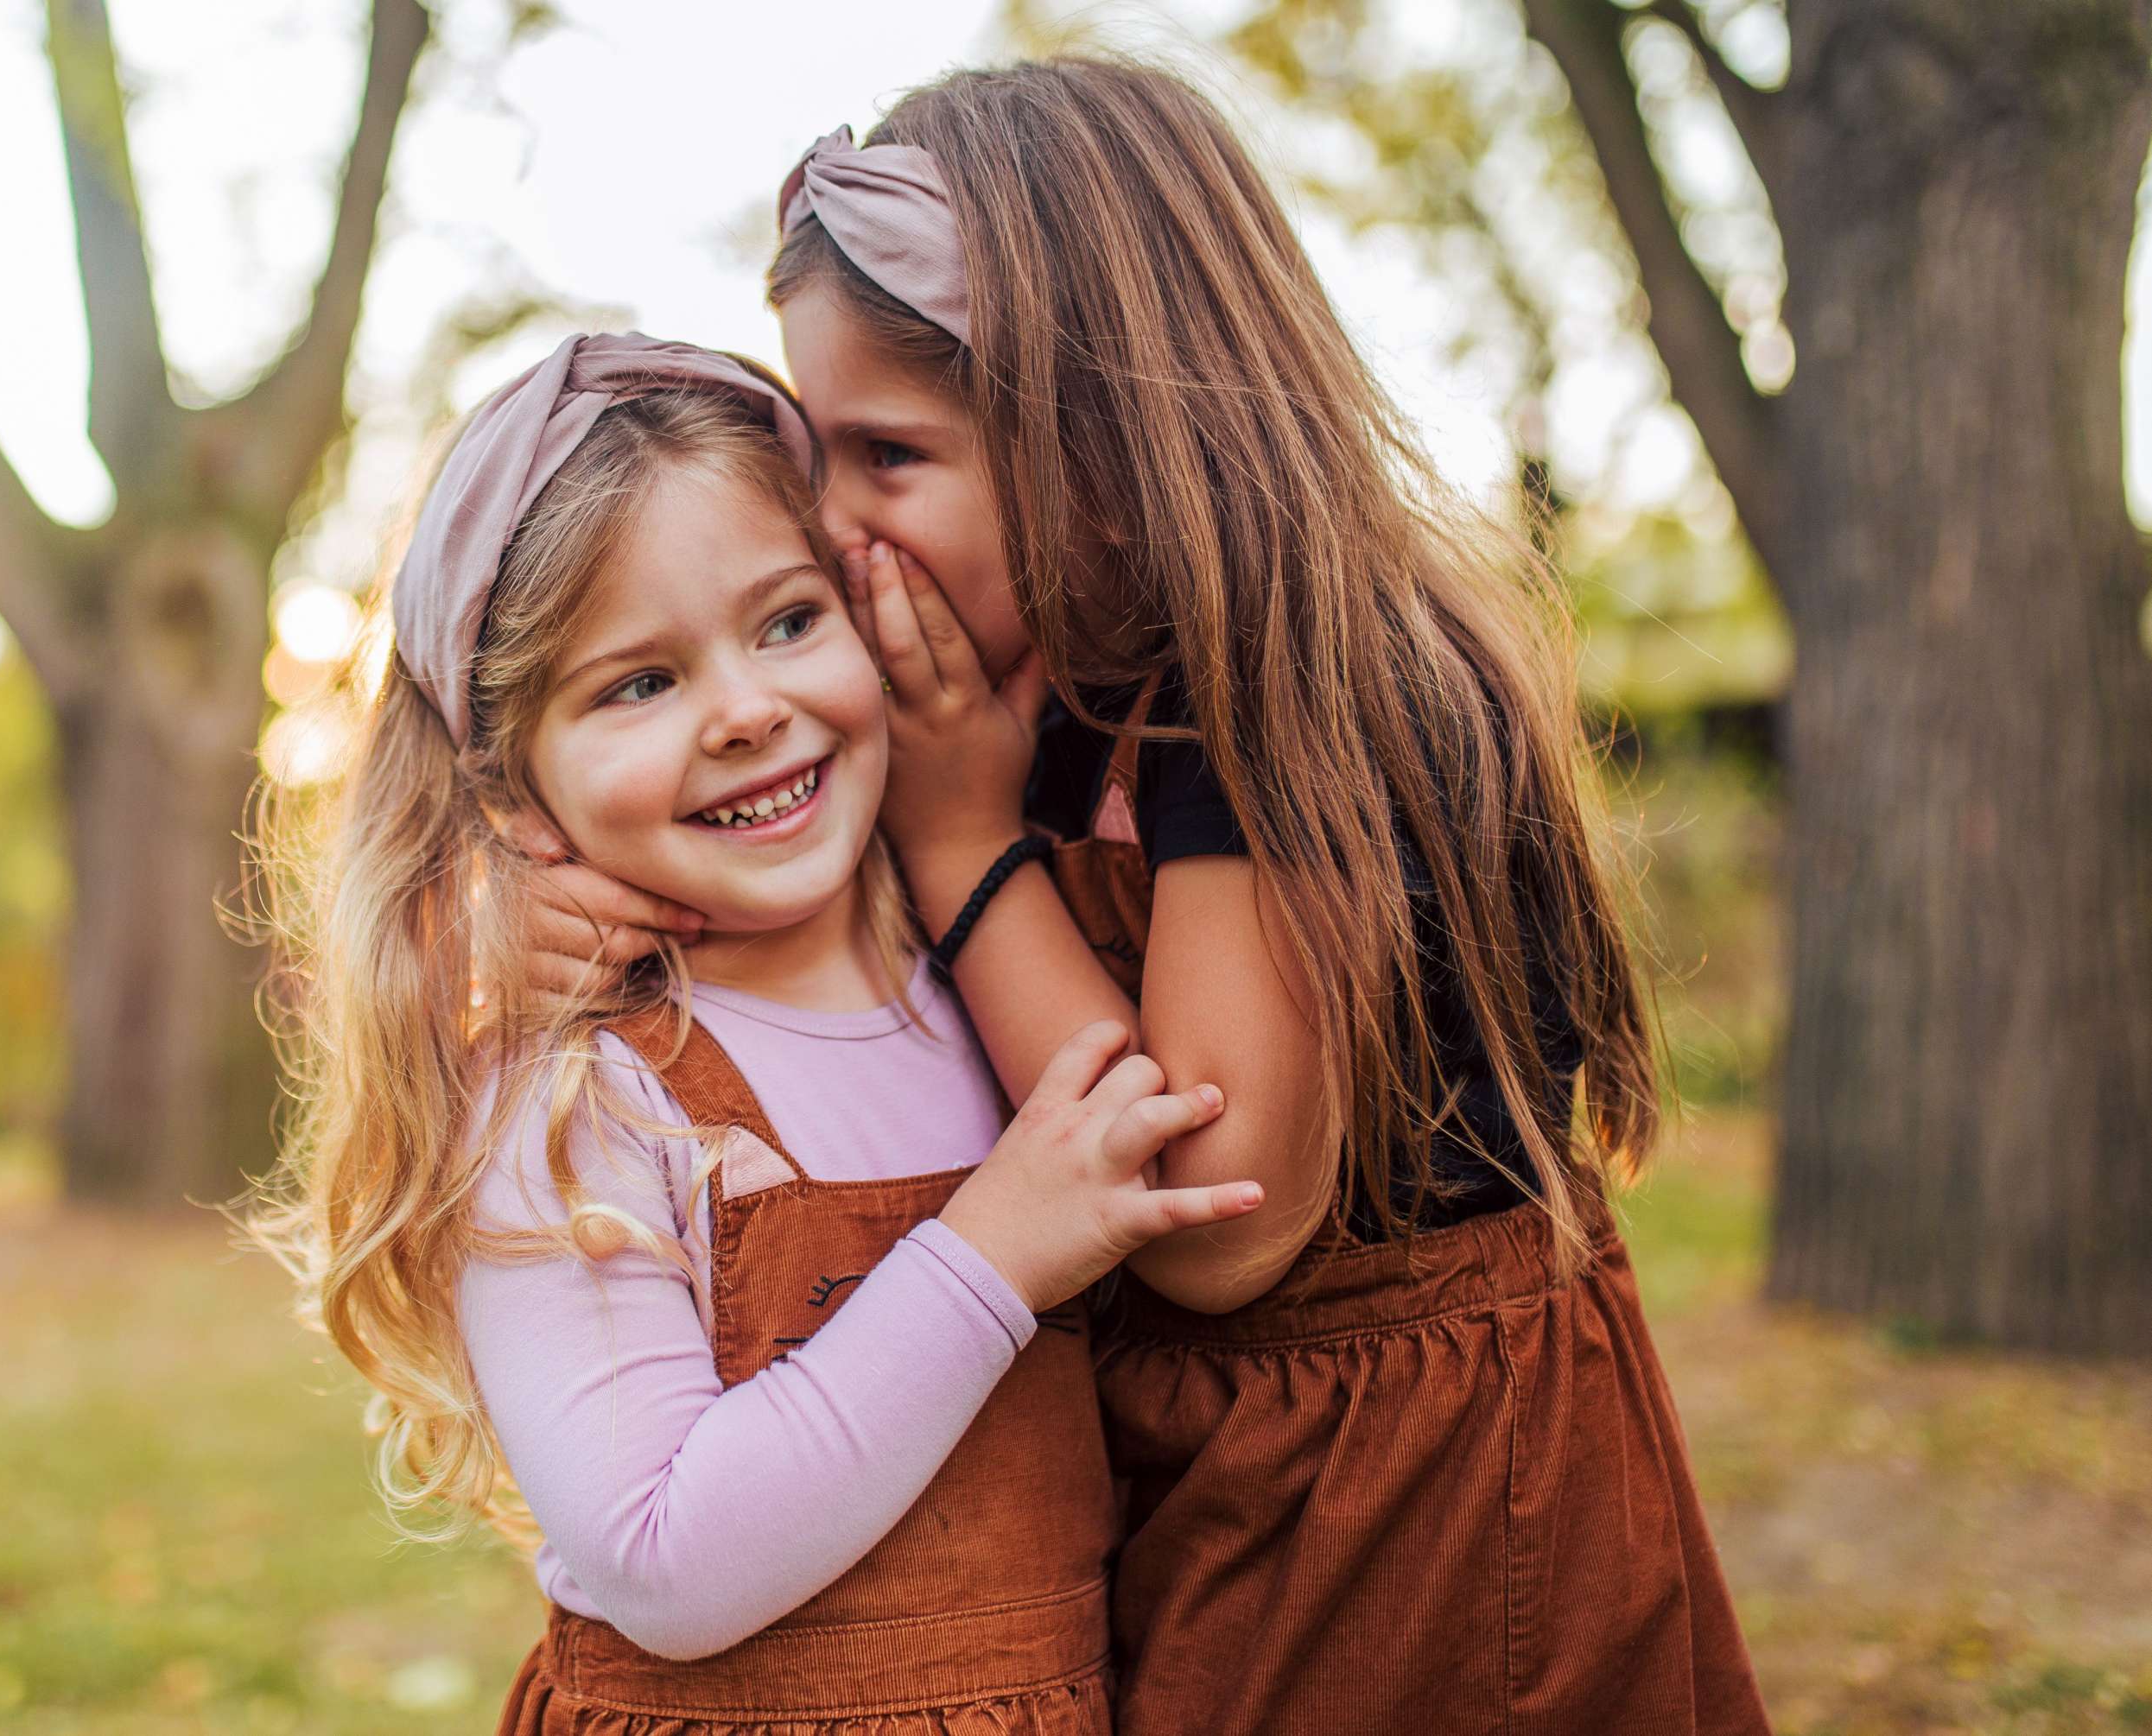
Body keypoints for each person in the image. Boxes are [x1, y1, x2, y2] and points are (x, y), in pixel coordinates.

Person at [535, 57, 1768, 1734]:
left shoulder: (1289, 687)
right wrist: (509, 902)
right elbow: (707, 831)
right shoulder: (1039, 687)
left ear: (1105, 450)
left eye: (888, 455)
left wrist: (961, 841)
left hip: (1401, 1511)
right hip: (1204, 1477)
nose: (832, 523)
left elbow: (1218, 1201)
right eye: (822, 458)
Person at [254, 331, 1266, 1733]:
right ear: (507, 781)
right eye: (637, 683)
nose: (745, 710)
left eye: (788, 620)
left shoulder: (990, 983)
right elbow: (660, 1562)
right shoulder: (573, 1097)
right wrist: (990, 1254)